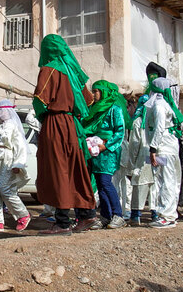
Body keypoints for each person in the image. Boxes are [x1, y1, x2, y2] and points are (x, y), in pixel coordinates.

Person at [32, 34, 97, 234]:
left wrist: (45, 117)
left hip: (56, 123)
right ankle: (86, 215)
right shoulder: (74, 71)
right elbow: (88, 101)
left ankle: (62, 222)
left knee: (58, 169)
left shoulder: (49, 69)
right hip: (73, 125)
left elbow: (40, 101)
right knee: (75, 168)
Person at [82, 80, 127, 229]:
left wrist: (106, 145)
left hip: (108, 150)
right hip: (96, 149)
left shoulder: (114, 108)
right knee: (100, 184)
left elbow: (120, 131)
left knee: (106, 182)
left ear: (104, 92)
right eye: (93, 91)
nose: (94, 94)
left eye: (96, 91)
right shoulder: (94, 108)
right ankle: (106, 216)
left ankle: (118, 215)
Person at [0, 100, 31, 232]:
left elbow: (20, 147)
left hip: (7, 160)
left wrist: (18, 164)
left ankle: (23, 215)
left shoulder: (13, 127)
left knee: (7, 191)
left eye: (1, 110)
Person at [145, 77, 183, 228]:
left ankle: (166, 216)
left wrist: (153, 148)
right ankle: (170, 213)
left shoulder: (159, 105)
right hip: (170, 146)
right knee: (171, 180)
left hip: (163, 147)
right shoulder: (167, 104)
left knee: (164, 180)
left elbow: (159, 127)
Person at [124, 94, 156, 227]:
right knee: (155, 186)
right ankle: (155, 214)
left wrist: (131, 164)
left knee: (139, 185)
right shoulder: (155, 120)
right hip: (157, 157)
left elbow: (134, 146)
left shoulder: (138, 122)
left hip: (142, 158)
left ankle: (136, 215)